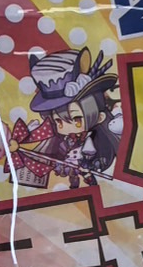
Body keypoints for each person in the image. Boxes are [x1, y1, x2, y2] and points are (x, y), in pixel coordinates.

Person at [8, 47, 121, 189]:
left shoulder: (98, 140)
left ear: (100, 117)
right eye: (58, 121)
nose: (65, 127)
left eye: (76, 119)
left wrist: (89, 166)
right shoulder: (63, 140)